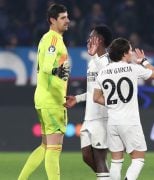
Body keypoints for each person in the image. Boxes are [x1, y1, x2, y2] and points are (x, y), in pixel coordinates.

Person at [93, 37, 154, 180]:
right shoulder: (133, 69)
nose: (132, 54)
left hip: (112, 122)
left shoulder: (103, 73)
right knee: (138, 158)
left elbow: (96, 97)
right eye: (130, 51)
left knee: (116, 161)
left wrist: (113, 103)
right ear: (124, 53)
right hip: (130, 122)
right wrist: (144, 61)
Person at [18, 3, 70, 180]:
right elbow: (48, 67)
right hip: (52, 100)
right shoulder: (53, 39)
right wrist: (58, 72)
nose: (67, 21)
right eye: (62, 18)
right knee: (55, 149)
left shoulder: (47, 38)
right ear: (52, 20)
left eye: (67, 17)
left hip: (43, 97)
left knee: (45, 145)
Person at [63, 25, 113, 180]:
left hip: (101, 117)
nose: (88, 39)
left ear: (100, 40)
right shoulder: (93, 62)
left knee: (99, 159)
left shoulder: (108, 62)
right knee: (86, 156)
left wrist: (95, 58)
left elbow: (107, 83)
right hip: (89, 117)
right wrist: (77, 99)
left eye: (91, 36)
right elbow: (93, 91)